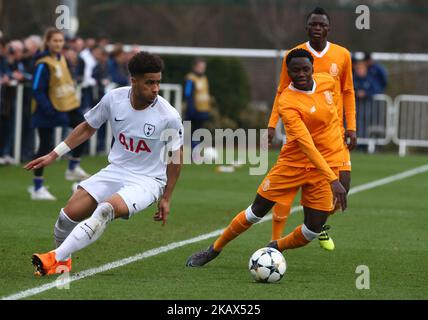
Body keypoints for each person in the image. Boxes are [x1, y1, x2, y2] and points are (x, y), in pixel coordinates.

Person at [25, 51, 184, 276]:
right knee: (67, 216)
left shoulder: (168, 115)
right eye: (150, 82)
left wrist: (166, 197)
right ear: (133, 81)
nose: (156, 88)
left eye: (158, 82)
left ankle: (54, 257)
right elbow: (88, 127)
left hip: (148, 181)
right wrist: (54, 154)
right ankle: (63, 264)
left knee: (106, 209)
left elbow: (176, 157)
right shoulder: (114, 99)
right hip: (115, 170)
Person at [186, 49, 347, 267]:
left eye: (305, 69)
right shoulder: (287, 102)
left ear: (313, 69)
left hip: (322, 168)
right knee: (255, 212)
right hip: (292, 165)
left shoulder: (328, 82)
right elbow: (305, 144)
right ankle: (213, 250)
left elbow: (334, 118)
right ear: (287, 72)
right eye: (295, 70)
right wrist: (333, 179)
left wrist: (338, 154)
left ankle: (274, 248)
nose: (300, 74)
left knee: (312, 230)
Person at [266, 7, 356, 250]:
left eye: (322, 24)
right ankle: (274, 240)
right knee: (287, 188)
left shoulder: (342, 55)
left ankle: (318, 224)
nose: (317, 28)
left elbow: (348, 91)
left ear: (328, 28)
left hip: (334, 134)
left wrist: (352, 126)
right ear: (307, 28)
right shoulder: (296, 55)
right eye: (313, 24)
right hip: (301, 132)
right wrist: (272, 123)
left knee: (342, 187)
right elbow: (281, 91)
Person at [29, 28, 90, 200]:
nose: (58, 44)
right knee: (45, 146)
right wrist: (49, 109)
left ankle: (73, 167)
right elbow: (36, 90)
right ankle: (37, 188)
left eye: (60, 41)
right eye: (54, 40)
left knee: (85, 128)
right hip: (46, 110)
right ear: (47, 42)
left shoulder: (62, 58)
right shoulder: (42, 63)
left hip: (65, 106)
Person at [184, 57, 212, 151]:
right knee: (190, 132)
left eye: (203, 67)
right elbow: (187, 93)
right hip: (193, 111)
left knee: (199, 132)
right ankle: (190, 151)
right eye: (200, 67)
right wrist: (191, 109)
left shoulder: (204, 78)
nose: (202, 69)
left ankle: (195, 151)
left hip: (203, 111)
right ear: (195, 67)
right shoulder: (191, 79)